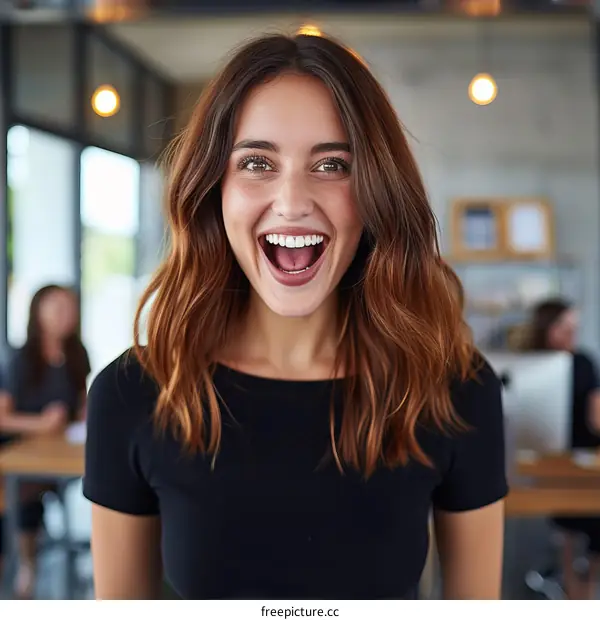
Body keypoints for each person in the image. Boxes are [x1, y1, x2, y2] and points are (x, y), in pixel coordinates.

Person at [83, 33, 507, 600]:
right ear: (214, 189)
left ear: (377, 191)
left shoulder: (455, 387)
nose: (291, 200)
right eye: (257, 162)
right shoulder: (131, 394)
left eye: (332, 164)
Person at [0, 284, 90, 598]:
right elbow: (3, 417)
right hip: (24, 454)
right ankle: (27, 564)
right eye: (56, 307)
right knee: (25, 494)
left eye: (69, 307)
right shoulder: (21, 359)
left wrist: (86, 412)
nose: (65, 314)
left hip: (62, 451)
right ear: (38, 312)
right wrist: (41, 424)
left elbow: (81, 404)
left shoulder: (78, 353)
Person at [525, 298, 600, 599]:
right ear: (547, 327)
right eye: (564, 326)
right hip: (543, 460)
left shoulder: (583, 361)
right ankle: (572, 586)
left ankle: (586, 589)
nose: (571, 332)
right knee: (568, 519)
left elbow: (596, 418)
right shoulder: (532, 365)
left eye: (574, 327)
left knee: (592, 516)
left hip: (584, 459)